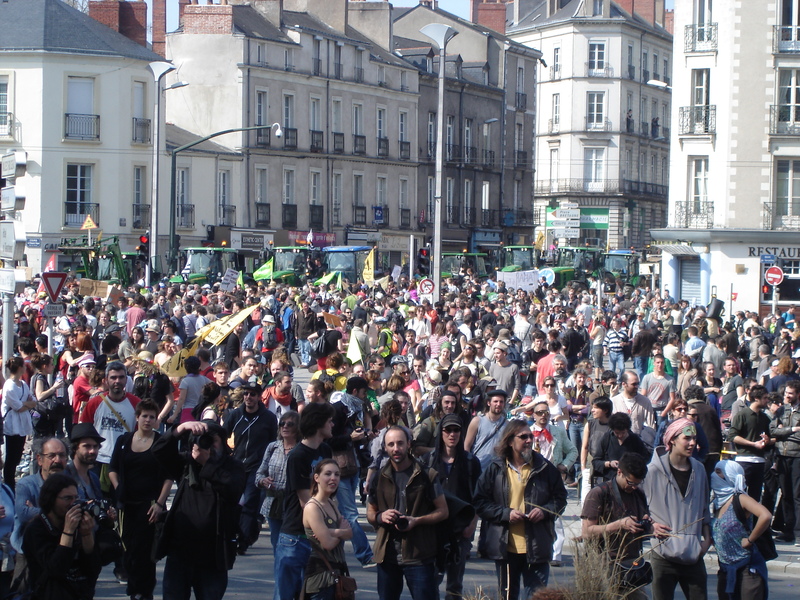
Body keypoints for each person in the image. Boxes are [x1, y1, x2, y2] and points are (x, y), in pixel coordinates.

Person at [473, 419, 567, 600]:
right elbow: (480, 502)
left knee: (537, 597)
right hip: (505, 548)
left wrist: (545, 511)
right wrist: (506, 514)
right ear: (510, 441)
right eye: (523, 437)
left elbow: (560, 499)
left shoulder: (545, 468)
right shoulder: (496, 468)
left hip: (537, 546)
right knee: (508, 596)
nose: (529, 440)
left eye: (530, 436)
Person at [152, 420, 246, 600]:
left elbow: (233, 490)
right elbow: (158, 451)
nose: (208, 445)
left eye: (213, 440)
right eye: (204, 440)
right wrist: (181, 428)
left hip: (213, 555)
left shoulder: (233, 466)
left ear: (223, 442)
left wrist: (207, 463)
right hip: (181, 552)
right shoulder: (187, 463)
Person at [366, 426, 449, 600]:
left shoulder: (427, 474)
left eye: (400, 443)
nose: (396, 448)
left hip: (419, 555)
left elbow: (443, 511)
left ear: (409, 444)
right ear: (385, 447)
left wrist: (416, 521)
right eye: (391, 444)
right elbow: (371, 512)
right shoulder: (379, 477)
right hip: (387, 555)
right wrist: (381, 516)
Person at [581, 452, 671, 600]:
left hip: (631, 567)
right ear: (619, 472)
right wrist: (619, 525)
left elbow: (642, 522)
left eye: (638, 483)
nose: (634, 487)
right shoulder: (599, 494)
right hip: (603, 566)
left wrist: (652, 528)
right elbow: (586, 532)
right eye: (631, 482)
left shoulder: (638, 493)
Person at [641, 418, 712, 600]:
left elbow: (704, 507)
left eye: (694, 438)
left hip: (693, 554)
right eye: (687, 438)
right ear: (672, 439)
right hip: (662, 554)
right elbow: (640, 506)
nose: (692, 443)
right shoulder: (652, 471)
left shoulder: (700, 470)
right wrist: (651, 527)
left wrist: (706, 540)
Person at [109, 399, 172, 600]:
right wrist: (119, 487)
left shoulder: (161, 442)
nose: (147, 420)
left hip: (149, 506)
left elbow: (169, 477)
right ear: (137, 417)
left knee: (145, 552)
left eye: (152, 417)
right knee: (127, 549)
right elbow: (112, 469)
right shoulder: (124, 440)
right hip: (126, 504)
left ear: (156, 421)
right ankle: (133, 588)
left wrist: (160, 503)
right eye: (144, 416)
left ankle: (143, 592)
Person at [273, 402, 335, 600]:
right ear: (318, 424)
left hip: (318, 536)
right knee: (286, 594)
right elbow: (304, 501)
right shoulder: (298, 456)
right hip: (295, 537)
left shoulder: (325, 450)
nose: (332, 425)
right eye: (329, 421)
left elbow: (331, 494)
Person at [420, 413, 481, 600]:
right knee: (431, 580)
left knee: (455, 584)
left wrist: (472, 524)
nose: (452, 434)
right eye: (448, 430)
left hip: (460, 529)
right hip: (434, 528)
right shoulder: (428, 460)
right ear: (441, 432)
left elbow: (478, 497)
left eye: (456, 430)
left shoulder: (470, 462)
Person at [22, 473, 102, 600]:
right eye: (67, 498)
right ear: (51, 499)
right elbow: (55, 569)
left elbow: (93, 569)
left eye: (76, 498)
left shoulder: (77, 525)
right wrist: (68, 532)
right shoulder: (36, 529)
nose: (74, 503)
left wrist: (87, 534)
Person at [225, 380, 278, 555]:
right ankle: (233, 535)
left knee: (249, 502)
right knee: (233, 503)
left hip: (258, 466)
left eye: (252, 394)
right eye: (246, 394)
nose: (248, 397)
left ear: (259, 397)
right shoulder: (235, 414)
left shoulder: (268, 418)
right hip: (237, 464)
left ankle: (244, 540)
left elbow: (273, 443)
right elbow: (222, 435)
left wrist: (269, 465)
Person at [327, 377, 374, 566]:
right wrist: (350, 437)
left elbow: (357, 436)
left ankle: (331, 551)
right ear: (355, 392)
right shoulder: (338, 409)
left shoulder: (358, 409)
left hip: (353, 465)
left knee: (340, 512)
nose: (365, 396)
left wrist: (365, 436)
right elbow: (328, 439)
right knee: (350, 513)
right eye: (364, 392)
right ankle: (365, 554)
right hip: (339, 468)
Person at [526, 399, 577, 567]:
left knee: (556, 515)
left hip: (552, 476)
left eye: (546, 413)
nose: (543, 416)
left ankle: (556, 554)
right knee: (532, 512)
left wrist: (564, 466)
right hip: (533, 477)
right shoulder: (528, 432)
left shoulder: (557, 432)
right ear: (533, 415)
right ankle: (530, 549)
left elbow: (572, 450)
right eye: (540, 412)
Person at [710, 460, 771, 600]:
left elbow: (766, 516)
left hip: (747, 569)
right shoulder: (716, 501)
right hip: (725, 568)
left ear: (729, 475)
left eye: (718, 472)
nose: (713, 475)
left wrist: (750, 540)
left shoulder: (740, 498)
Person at [301, 459, 352, 600]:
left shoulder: (332, 502)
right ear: (316, 478)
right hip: (320, 578)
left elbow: (349, 533)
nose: (333, 478)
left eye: (337, 474)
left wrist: (330, 532)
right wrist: (339, 532)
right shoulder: (312, 507)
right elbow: (328, 544)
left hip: (337, 573)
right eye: (328, 474)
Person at [11, 437, 69, 552]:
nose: (57, 460)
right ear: (39, 459)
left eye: (62, 455)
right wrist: (62, 513)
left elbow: (79, 513)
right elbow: (24, 514)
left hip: (59, 549)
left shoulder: (71, 486)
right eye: (51, 456)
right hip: (29, 550)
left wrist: (38, 512)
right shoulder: (26, 485)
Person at [256, 410, 299, 551]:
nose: (285, 427)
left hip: (293, 503)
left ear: (297, 427)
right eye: (282, 423)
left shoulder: (301, 450)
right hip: (273, 503)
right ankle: (279, 570)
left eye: (290, 424)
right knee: (276, 542)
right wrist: (263, 480)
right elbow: (260, 473)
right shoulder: (272, 447)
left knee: (290, 542)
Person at [728, 384, 773, 502]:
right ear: (756, 398)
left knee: (755, 497)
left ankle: (754, 521)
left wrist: (768, 441)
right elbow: (732, 436)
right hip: (744, 460)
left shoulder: (765, 418)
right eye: (765, 398)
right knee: (740, 496)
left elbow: (772, 438)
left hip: (760, 461)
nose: (767, 400)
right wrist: (753, 444)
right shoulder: (742, 415)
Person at [768, 379, 800, 543]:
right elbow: (773, 431)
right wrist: (793, 429)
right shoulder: (781, 411)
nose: (786, 396)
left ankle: (797, 530)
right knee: (786, 493)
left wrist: (783, 432)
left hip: (797, 456)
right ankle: (788, 529)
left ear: (798, 395)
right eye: (786, 393)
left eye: (790, 394)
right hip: (781, 454)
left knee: (796, 495)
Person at [3, 356, 36, 488]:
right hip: (12, 424)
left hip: (22, 423)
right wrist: (26, 404)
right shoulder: (9, 386)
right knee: (11, 457)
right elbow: (18, 406)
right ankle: (9, 485)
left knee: (17, 455)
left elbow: (33, 400)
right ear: (19, 368)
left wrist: (26, 403)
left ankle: (11, 483)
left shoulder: (23, 384)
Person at [592, 413, 650, 482]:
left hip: (629, 482)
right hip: (610, 481)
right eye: (617, 433)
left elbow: (646, 459)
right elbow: (596, 462)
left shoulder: (635, 440)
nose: (620, 436)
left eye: (623, 433)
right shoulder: (607, 438)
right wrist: (609, 464)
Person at [611, 370, 655, 437]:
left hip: (638, 441)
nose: (637, 386)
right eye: (634, 384)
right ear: (624, 384)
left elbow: (651, 425)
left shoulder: (645, 401)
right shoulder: (614, 401)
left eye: (638, 384)